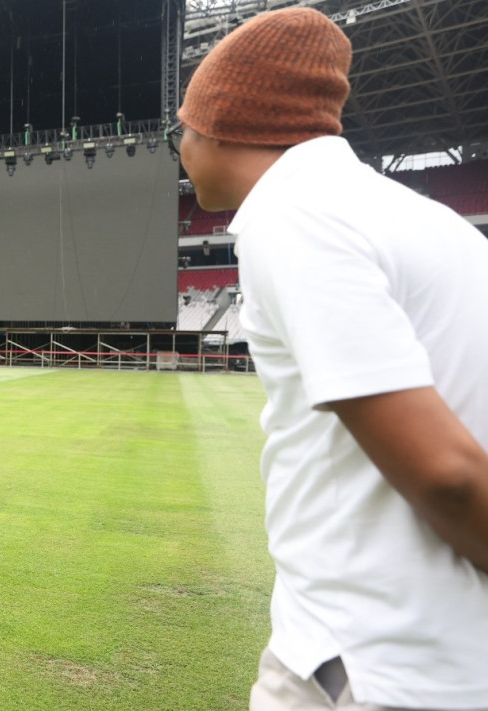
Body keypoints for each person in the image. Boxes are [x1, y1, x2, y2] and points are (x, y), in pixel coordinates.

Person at [174, 8, 488, 710]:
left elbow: (447, 475)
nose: (180, 149)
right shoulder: (424, 221)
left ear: (220, 123)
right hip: (438, 655)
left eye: (181, 129)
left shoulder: (295, 216)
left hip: (365, 662)